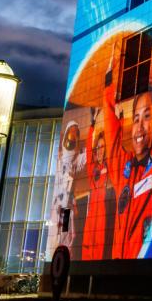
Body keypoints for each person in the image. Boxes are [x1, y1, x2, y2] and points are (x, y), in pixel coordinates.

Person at [103, 68, 152, 259]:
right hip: (118, 265)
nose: (139, 127)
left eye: (146, 116)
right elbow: (111, 130)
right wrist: (109, 85)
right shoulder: (122, 167)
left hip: (145, 262)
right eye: (136, 119)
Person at [81, 110, 114, 261]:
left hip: (102, 216)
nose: (100, 150)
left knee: (98, 254)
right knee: (86, 251)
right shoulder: (92, 168)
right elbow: (88, 149)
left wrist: (118, 119)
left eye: (103, 147)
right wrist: (92, 125)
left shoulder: (109, 166)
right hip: (90, 219)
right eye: (98, 147)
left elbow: (115, 145)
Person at [50, 121, 86, 252]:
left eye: (76, 132)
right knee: (57, 233)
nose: (73, 134)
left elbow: (88, 156)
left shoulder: (77, 160)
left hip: (66, 205)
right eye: (71, 131)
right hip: (58, 204)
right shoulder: (59, 159)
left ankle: (65, 250)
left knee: (65, 234)